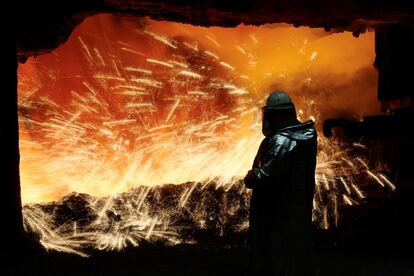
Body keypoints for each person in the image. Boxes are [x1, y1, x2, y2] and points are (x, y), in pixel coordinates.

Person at [244, 91, 317, 275]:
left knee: (275, 258)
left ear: (275, 115)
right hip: (296, 209)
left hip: (277, 212)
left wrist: (252, 175)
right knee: (294, 257)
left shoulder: (281, 140)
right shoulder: (304, 137)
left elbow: (266, 176)